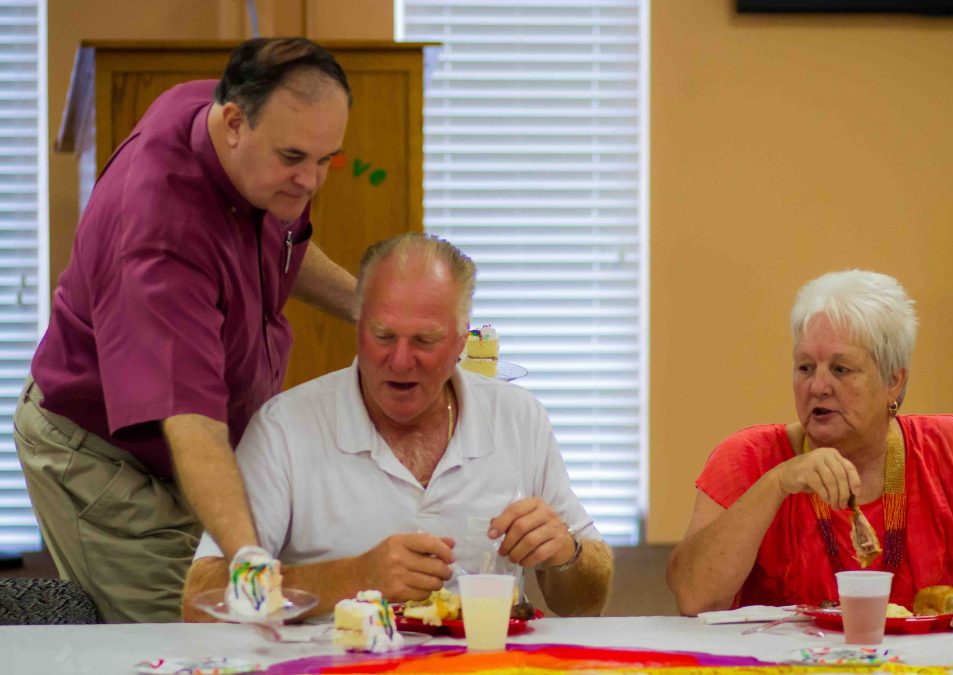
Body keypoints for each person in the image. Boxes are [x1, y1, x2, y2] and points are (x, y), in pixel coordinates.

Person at [14, 37, 360, 623]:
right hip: (102, 455)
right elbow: (193, 423)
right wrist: (249, 564)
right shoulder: (158, 233)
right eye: (294, 157)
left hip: (187, 448)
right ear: (232, 123)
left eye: (325, 160)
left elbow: (283, 244)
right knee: (194, 633)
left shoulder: (225, 123)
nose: (309, 181)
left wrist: (370, 308)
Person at [181, 233, 614, 620]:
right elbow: (202, 598)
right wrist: (352, 576)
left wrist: (567, 557)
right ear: (359, 328)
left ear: (461, 343)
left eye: (425, 341)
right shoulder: (286, 428)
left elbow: (585, 602)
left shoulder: (518, 418)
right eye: (383, 336)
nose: (401, 361)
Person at [667, 270, 953, 629]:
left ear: (893, 380)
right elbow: (692, 595)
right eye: (805, 367)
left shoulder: (951, 449)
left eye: (840, 369)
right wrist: (776, 484)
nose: (817, 387)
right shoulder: (748, 457)